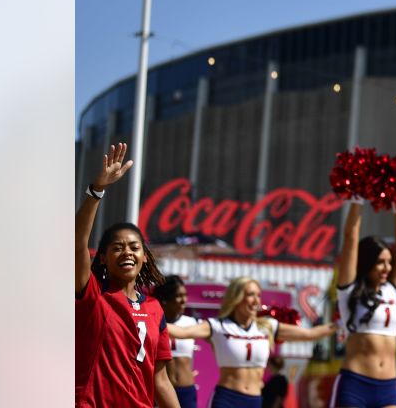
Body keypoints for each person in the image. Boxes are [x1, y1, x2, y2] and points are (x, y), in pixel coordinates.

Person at [76, 142, 181, 408]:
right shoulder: (92, 295)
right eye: (117, 247)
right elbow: (75, 242)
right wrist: (95, 191)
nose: (127, 253)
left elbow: (161, 381)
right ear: (102, 257)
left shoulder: (155, 309)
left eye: (134, 247)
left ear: (144, 256)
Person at [168, 276, 335, 407]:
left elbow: (309, 334)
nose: (256, 301)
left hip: (254, 401)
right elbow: (181, 332)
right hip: (226, 399)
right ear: (237, 298)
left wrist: (341, 325)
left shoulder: (267, 326)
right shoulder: (219, 326)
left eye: (258, 295)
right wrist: (148, 319)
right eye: (250, 295)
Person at [329, 199, 396, 408]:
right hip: (356, 383)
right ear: (366, 263)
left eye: (389, 262)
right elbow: (350, 238)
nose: (387, 268)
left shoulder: (392, 291)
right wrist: (357, 200)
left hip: (388, 387)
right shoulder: (349, 290)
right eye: (380, 262)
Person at [155, 274, 201, 408]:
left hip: (186, 391)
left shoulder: (192, 323)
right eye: (178, 296)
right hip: (160, 391)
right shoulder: (152, 321)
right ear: (165, 299)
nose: (183, 300)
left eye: (185, 295)